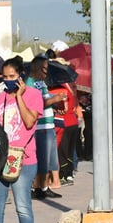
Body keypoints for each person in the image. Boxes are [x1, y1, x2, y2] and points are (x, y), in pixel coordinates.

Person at [0, 58, 44, 223]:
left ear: (21, 76)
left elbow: (30, 122)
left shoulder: (33, 95)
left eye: (13, 76)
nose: (8, 81)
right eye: (5, 77)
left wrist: (19, 96)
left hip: (24, 159)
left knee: (22, 207)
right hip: (1, 159)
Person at [28, 56, 67, 199]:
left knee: (49, 159)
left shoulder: (42, 83)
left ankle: (44, 186)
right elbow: (35, 104)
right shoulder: (30, 83)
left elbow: (45, 99)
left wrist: (56, 102)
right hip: (40, 126)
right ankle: (37, 188)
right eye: (44, 68)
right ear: (37, 68)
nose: (46, 72)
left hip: (49, 124)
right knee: (42, 158)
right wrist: (54, 99)